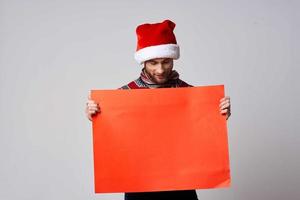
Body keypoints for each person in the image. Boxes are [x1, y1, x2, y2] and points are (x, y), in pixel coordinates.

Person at [85, 19, 231, 200]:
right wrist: (95, 114)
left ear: (173, 60)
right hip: (138, 186)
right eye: (153, 63)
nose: (160, 69)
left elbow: (204, 132)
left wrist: (219, 112)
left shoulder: (191, 94)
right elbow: (112, 133)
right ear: (143, 62)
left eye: (166, 62)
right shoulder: (123, 96)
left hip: (181, 186)